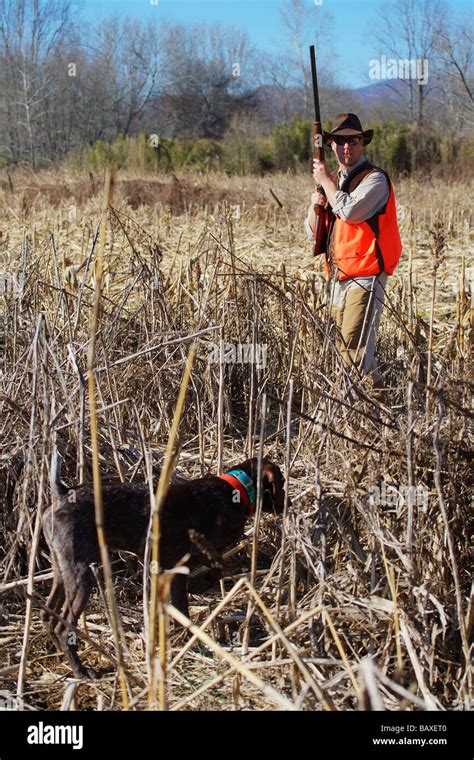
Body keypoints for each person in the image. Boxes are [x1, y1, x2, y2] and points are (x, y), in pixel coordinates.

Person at [305, 112, 402, 395]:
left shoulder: (375, 179)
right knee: (349, 349)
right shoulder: (332, 182)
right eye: (340, 141)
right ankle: (380, 405)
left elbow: (349, 211)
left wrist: (325, 181)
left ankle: (357, 414)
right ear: (331, 144)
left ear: (363, 144)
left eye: (354, 141)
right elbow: (313, 232)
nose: (347, 148)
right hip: (337, 275)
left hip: (367, 274)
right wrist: (316, 205)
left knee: (353, 347)